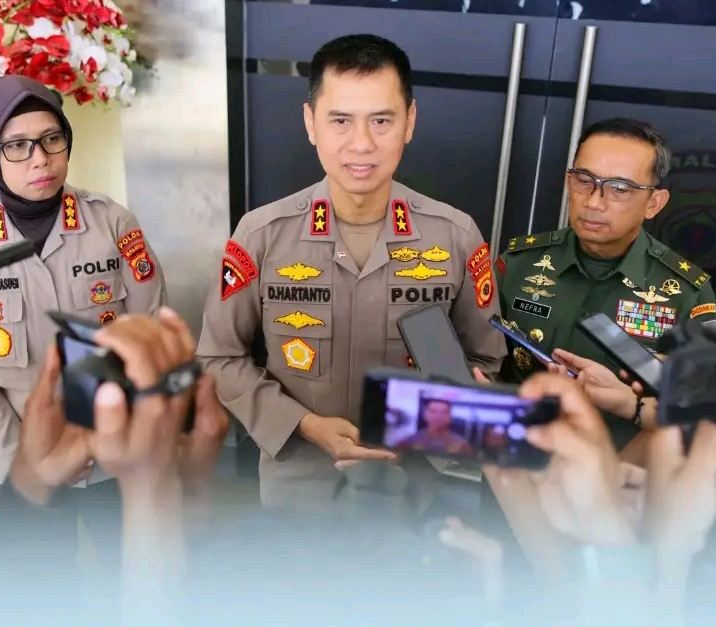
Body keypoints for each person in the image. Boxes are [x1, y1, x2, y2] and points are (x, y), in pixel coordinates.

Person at [197, 34, 507, 508]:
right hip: (298, 483)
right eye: (340, 120)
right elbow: (219, 357)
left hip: (418, 488)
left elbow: (487, 360)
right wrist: (304, 425)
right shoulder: (261, 235)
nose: (361, 144)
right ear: (311, 123)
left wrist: (424, 428)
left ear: (410, 122)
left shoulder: (455, 235)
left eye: (382, 120)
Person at [0, 76, 167, 560]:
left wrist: (102, 438)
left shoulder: (112, 223)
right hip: (18, 464)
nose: (40, 158)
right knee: (36, 586)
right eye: (17, 146)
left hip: (113, 453)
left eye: (51, 138)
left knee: (137, 573)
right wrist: (27, 458)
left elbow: (151, 337)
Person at [495, 118, 716, 449]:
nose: (594, 202)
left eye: (619, 189)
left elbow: (699, 413)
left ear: (654, 203)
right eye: (584, 180)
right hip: (514, 459)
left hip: (618, 468)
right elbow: (484, 358)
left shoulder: (685, 292)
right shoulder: (518, 263)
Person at [397, 398, 472, 454]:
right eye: (433, 411)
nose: (438, 416)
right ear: (425, 415)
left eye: (444, 412)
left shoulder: (461, 445)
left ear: (449, 417)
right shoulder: (409, 442)